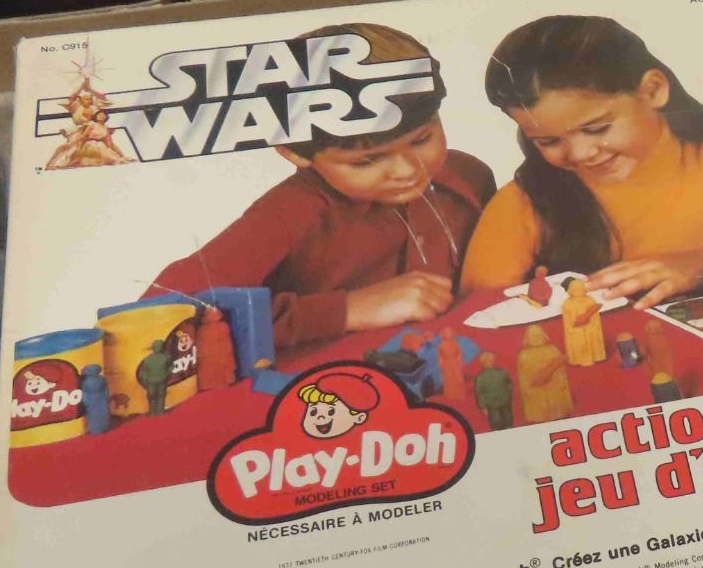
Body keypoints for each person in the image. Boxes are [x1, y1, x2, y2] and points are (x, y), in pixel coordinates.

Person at [148, 23, 495, 350]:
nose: (408, 170)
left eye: (421, 139)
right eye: (366, 161)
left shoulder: (469, 176)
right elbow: (161, 312)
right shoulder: (289, 213)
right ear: (293, 152)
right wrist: (346, 310)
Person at [460, 16, 703, 309]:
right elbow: (475, 315)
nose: (580, 153)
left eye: (596, 129)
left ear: (653, 90)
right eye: (548, 141)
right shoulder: (523, 203)